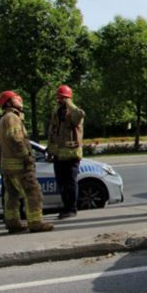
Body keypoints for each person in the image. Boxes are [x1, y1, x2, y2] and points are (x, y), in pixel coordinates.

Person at [0, 90, 53, 233]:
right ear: (8, 103)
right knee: (33, 192)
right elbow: (17, 140)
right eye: (15, 98)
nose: (20, 99)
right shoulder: (12, 118)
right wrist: (26, 156)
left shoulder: (3, 119)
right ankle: (36, 222)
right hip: (20, 166)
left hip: (7, 166)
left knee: (12, 195)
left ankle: (12, 222)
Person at [47, 85, 85, 219]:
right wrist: (50, 150)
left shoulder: (73, 113)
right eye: (59, 97)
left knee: (70, 183)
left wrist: (70, 104)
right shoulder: (57, 112)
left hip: (71, 156)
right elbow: (52, 133)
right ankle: (66, 207)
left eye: (63, 98)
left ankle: (71, 209)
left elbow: (80, 114)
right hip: (59, 156)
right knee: (61, 184)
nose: (60, 100)